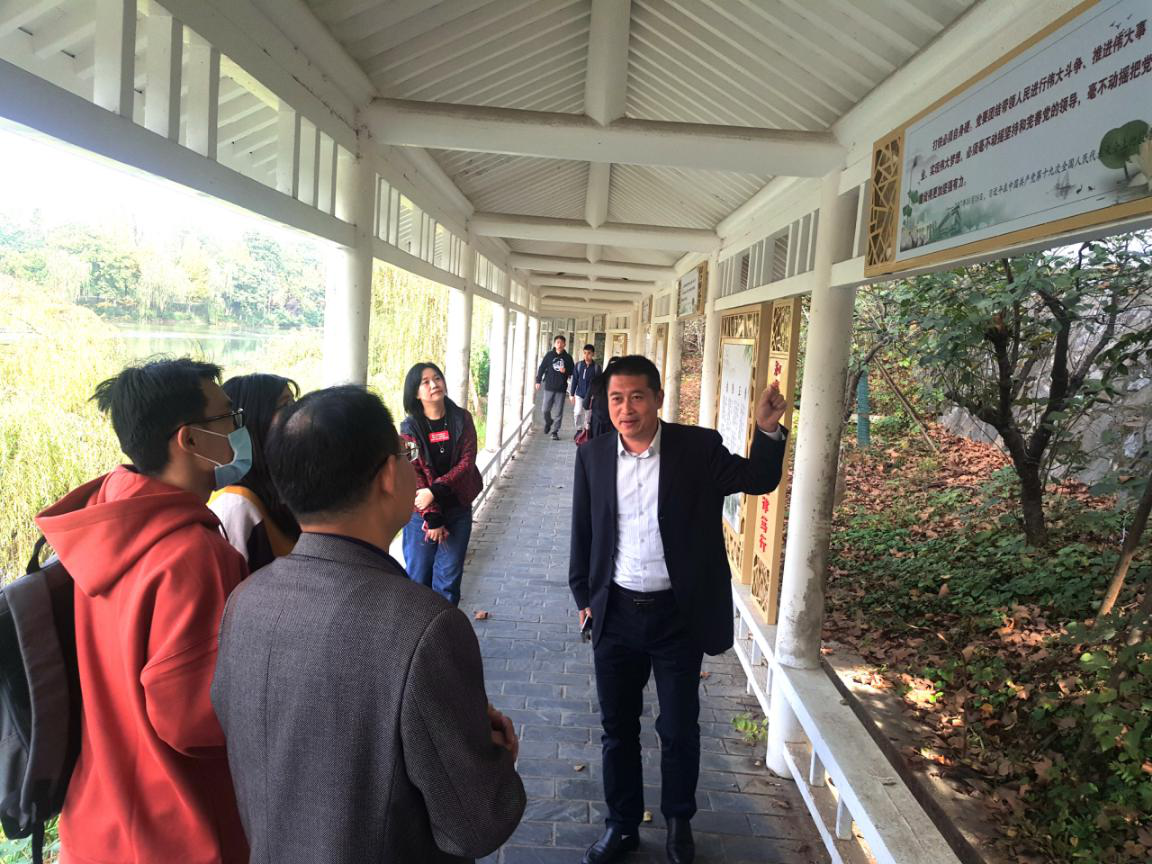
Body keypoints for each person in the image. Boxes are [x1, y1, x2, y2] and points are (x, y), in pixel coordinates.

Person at [211, 385, 525, 863]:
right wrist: (493, 757)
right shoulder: (426, 627)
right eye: (406, 455)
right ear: (387, 477)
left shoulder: (244, 601)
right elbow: (477, 824)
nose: (411, 466)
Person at [568, 355, 788, 864]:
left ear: (658, 399)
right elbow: (584, 532)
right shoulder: (593, 456)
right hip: (616, 613)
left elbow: (757, 478)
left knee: (679, 728)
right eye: (616, 399)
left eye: (636, 397)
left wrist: (766, 431)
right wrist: (584, 599)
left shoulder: (696, 448)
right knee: (617, 729)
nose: (626, 409)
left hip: (677, 616)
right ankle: (621, 825)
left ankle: (679, 823)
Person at [35, 358, 250, 864]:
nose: (239, 430)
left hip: (96, 821)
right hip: (180, 829)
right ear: (190, 440)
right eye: (228, 417)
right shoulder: (194, 555)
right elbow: (195, 719)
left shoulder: (103, 521)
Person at [399, 362, 482, 606]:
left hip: (457, 508)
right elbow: (414, 473)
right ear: (415, 392)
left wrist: (435, 491)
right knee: (418, 578)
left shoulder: (462, 419)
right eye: (425, 382)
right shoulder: (409, 429)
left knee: (449, 581)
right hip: (421, 515)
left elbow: (467, 463)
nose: (434, 384)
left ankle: (444, 627)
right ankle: (417, 628)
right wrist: (432, 517)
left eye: (437, 378)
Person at [209, 373, 300, 570]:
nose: (298, 413)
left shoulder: (283, 490)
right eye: (285, 405)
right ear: (253, 419)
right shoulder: (236, 505)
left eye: (295, 403)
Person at [535, 334, 574, 440]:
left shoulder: (568, 358)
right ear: (555, 344)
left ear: (565, 344)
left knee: (558, 412)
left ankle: (555, 432)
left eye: (561, 342)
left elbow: (572, 371)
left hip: (561, 388)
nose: (559, 344)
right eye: (558, 342)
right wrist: (538, 381)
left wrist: (566, 371)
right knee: (545, 409)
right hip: (549, 387)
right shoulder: (549, 355)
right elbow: (542, 368)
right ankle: (548, 421)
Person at [583, 355, 618, 441]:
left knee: (596, 445)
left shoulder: (596, 381)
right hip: (614, 424)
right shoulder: (622, 385)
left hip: (596, 423)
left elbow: (585, 404)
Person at [569, 343, 601, 435]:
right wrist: (571, 394)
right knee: (577, 412)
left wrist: (596, 395)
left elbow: (598, 383)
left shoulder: (596, 368)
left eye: (589, 353)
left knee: (588, 416)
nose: (586, 355)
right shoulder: (578, 365)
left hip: (590, 396)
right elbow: (574, 380)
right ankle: (579, 429)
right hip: (579, 394)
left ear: (593, 354)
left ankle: (586, 433)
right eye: (585, 353)